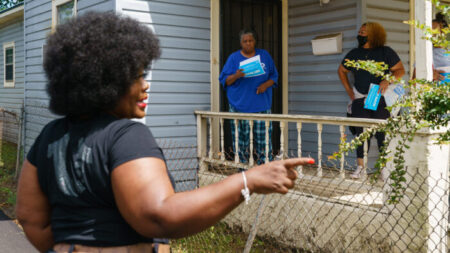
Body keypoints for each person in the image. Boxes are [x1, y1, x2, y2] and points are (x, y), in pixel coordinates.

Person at [15, 12, 314, 252]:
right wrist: (247, 180)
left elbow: (31, 219)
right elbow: (159, 215)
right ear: (104, 81)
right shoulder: (125, 136)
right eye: (136, 75)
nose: (146, 84)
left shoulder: (49, 137)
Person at [337, 22, 405, 179]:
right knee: (361, 134)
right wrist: (348, 89)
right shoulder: (354, 53)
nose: (360, 35)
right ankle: (361, 168)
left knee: (382, 133)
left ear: (374, 35)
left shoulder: (385, 52)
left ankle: (384, 168)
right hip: (360, 98)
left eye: (364, 33)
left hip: (379, 97)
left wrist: (387, 80)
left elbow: (400, 70)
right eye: (360, 32)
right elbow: (341, 70)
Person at [219, 29, 278, 165]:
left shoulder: (264, 56)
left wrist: (265, 85)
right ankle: (243, 169)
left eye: (250, 41)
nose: (248, 44)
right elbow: (225, 80)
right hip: (239, 106)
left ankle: (264, 168)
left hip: (261, 106)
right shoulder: (234, 58)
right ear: (241, 43)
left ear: (254, 41)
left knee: (263, 141)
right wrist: (237, 75)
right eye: (245, 41)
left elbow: (274, 77)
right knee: (241, 141)